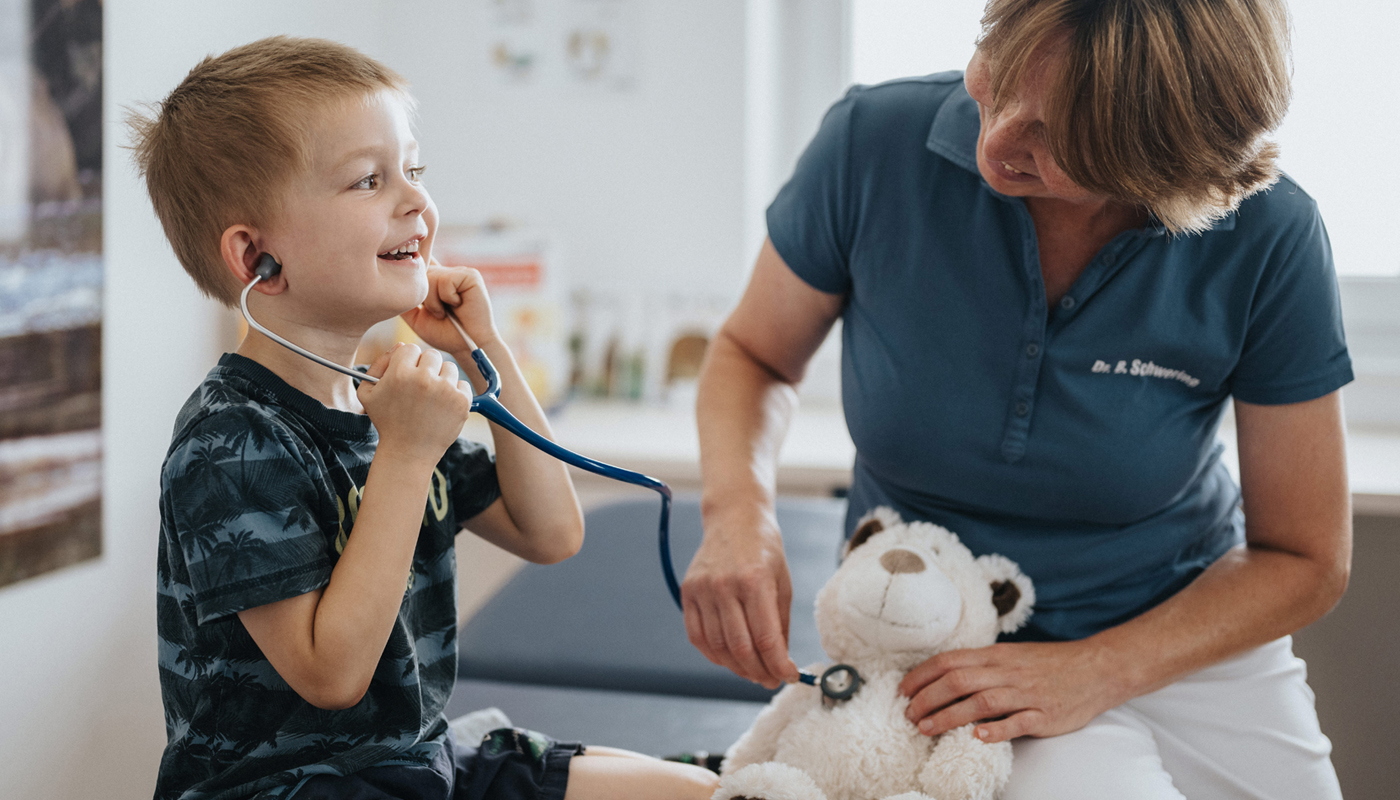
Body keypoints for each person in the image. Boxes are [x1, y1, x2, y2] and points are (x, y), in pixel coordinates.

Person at [681, 0, 1350, 797]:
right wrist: (736, 514)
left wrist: (1100, 668)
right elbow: (753, 355)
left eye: (1059, 138)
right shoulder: (873, 145)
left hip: (1185, 632)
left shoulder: (1270, 236)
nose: (994, 143)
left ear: (1162, 175)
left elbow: (1306, 558)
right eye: (996, 75)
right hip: (947, 653)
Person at [131, 37, 718, 800]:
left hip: (411, 761)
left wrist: (487, 352)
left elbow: (552, 532)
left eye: (414, 170)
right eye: (369, 180)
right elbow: (332, 674)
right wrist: (405, 457)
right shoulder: (231, 438)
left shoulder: (382, 398)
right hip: (291, 788)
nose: (415, 201)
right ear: (257, 260)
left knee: (709, 791)